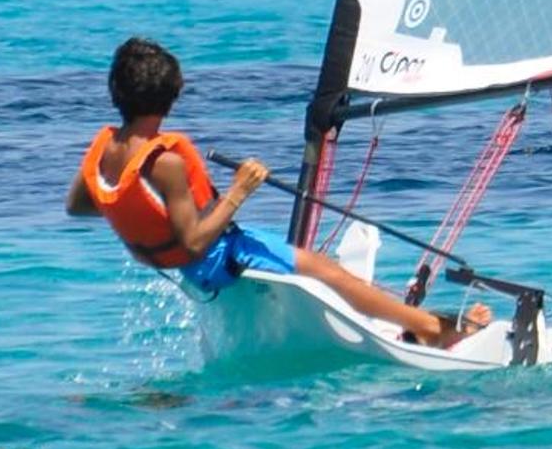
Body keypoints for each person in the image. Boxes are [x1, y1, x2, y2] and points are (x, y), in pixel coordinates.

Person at [67, 35, 489, 348]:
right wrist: (239, 191)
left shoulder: (106, 150)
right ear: (173, 96)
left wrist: (144, 220)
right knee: (327, 270)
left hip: (191, 268)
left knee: (312, 265)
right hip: (218, 258)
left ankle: (412, 321)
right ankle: (431, 328)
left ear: (116, 92)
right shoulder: (166, 164)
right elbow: (194, 242)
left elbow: (81, 205)